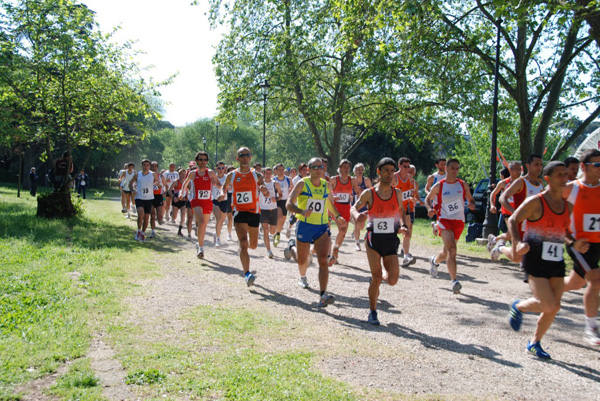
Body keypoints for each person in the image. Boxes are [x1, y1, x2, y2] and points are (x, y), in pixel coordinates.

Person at [507, 161, 588, 359]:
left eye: (565, 174)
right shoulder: (536, 202)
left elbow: (565, 231)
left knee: (555, 306)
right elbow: (512, 220)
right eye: (559, 175)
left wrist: (573, 242)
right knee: (548, 304)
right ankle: (518, 306)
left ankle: (534, 343)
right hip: (535, 259)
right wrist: (517, 243)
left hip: (556, 260)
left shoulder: (567, 206)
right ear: (548, 179)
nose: (564, 178)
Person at [351, 157, 407, 325]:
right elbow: (354, 207)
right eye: (385, 171)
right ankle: (373, 312)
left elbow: (401, 210)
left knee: (392, 280)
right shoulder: (370, 193)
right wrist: (357, 216)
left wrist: (402, 225)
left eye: (391, 171)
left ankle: (376, 278)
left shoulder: (397, 193)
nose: (389, 174)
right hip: (373, 238)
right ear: (378, 172)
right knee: (376, 277)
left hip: (390, 239)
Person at [286, 157, 347, 307]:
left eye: (321, 167)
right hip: (305, 226)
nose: (319, 170)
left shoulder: (326, 185)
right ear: (309, 169)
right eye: (315, 167)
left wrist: (338, 216)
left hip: (321, 227)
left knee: (323, 261)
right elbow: (288, 204)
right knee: (303, 260)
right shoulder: (302, 183)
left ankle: (323, 295)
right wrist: (301, 211)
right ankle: (299, 268)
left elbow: (329, 203)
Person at [562, 149, 600, 345]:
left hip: (597, 243)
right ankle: (592, 328)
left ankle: (549, 293)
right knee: (595, 279)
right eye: (597, 165)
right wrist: (570, 240)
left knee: (576, 283)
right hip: (579, 244)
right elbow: (546, 206)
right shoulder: (571, 189)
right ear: (583, 167)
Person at [218, 147, 271, 286]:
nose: (245, 158)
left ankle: (243, 251)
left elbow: (264, 189)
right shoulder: (232, 175)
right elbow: (224, 187)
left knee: (252, 245)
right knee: (243, 242)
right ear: (238, 158)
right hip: (239, 211)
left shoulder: (257, 175)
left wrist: (265, 191)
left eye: (247, 155)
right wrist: (222, 194)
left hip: (253, 211)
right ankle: (247, 274)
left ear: (250, 157)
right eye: (242, 155)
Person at [425, 158, 476, 294]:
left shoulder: (462, 184)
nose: (455, 171)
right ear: (446, 169)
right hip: (444, 219)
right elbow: (428, 199)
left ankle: (435, 261)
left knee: (446, 252)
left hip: (459, 221)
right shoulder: (439, 186)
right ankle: (454, 281)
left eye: (457, 168)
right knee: (452, 250)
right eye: (452, 168)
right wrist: (429, 208)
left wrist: (471, 204)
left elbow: (471, 200)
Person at [490, 154, 544, 262]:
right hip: (519, 223)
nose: (539, 167)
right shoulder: (521, 182)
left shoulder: (541, 183)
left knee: (532, 255)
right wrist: (514, 213)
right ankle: (499, 248)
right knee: (516, 257)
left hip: (535, 225)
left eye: (541, 165)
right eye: (536, 164)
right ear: (528, 166)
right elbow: (502, 198)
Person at [181, 151, 222, 259]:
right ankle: (201, 248)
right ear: (197, 161)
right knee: (202, 222)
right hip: (196, 201)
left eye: (205, 160)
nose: (203, 162)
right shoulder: (193, 173)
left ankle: (198, 243)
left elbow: (218, 184)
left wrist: (221, 190)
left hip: (207, 202)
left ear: (207, 161)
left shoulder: (211, 173)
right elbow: (185, 183)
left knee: (203, 225)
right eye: (200, 160)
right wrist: (182, 192)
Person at [392, 157, 417, 266]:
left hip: (405, 209)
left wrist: (412, 199)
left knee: (407, 232)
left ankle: (406, 256)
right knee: (392, 233)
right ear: (399, 166)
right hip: (393, 210)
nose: (407, 169)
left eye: (408, 167)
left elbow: (410, 194)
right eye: (404, 167)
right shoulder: (394, 178)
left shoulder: (410, 179)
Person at [329, 159, 353, 265]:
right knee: (342, 230)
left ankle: (334, 252)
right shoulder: (334, 180)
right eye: (344, 167)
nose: (346, 169)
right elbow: (328, 193)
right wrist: (333, 197)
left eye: (348, 167)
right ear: (339, 168)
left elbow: (357, 191)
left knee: (343, 234)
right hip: (336, 208)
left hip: (346, 208)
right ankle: (335, 250)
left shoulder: (352, 180)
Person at [487, 162, 522, 239]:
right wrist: (492, 205)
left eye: (520, 169)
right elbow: (493, 193)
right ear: (510, 170)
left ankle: (494, 239)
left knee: (512, 234)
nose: (519, 172)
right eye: (516, 169)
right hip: (507, 211)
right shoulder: (504, 183)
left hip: (519, 210)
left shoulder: (523, 182)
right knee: (514, 233)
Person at [129, 159, 160, 242]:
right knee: (140, 214)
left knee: (146, 218)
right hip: (139, 197)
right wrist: (132, 190)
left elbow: (158, 183)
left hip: (149, 198)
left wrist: (156, 184)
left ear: (150, 166)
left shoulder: (153, 174)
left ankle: (143, 233)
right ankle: (138, 231)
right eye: (144, 165)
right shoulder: (137, 175)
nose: (146, 167)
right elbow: (130, 183)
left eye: (148, 165)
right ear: (141, 166)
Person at [259, 167, 281, 258]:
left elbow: (281, 195)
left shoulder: (275, 184)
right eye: (266, 173)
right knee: (266, 230)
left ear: (272, 174)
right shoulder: (259, 185)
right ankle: (269, 250)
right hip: (264, 210)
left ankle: (272, 234)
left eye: (269, 173)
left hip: (273, 210)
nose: (268, 175)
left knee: (272, 231)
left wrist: (275, 199)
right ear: (263, 174)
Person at [351, 163, 372, 251]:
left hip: (364, 205)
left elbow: (372, 192)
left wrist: (364, 191)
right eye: (358, 169)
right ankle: (357, 243)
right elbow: (347, 191)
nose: (360, 171)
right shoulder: (351, 180)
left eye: (362, 170)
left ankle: (355, 232)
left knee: (362, 226)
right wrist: (351, 195)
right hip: (354, 206)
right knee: (357, 222)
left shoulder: (366, 181)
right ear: (354, 171)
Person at [211, 161, 231, 247]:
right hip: (215, 200)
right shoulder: (213, 177)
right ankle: (218, 240)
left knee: (221, 220)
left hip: (224, 200)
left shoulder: (227, 178)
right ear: (216, 169)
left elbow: (231, 187)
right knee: (218, 219)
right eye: (219, 168)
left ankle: (216, 233)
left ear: (225, 169)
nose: (221, 170)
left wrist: (226, 188)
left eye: (223, 168)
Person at [425, 158, 447, 235]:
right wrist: (430, 194)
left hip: (448, 202)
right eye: (442, 164)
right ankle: (439, 228)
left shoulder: (449, 176)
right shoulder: (433, 177)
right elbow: (427, 188)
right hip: (437, 202)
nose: (444, 166)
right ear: (437, 165)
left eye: (445, 164)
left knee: (446, 220)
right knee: (442, 218)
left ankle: (435, 226)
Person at [273, 163, 293, 243]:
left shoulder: (288, 179)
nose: (281, 172)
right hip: (277, 201)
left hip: (285, 200)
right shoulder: (273, 180)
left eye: (282, 170)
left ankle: (277, 233)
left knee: (282, 221)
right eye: (279, 170)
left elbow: (292, 188)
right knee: (280, 217)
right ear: (276, 171)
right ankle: (277, 234)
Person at [168, 169, 190, 237]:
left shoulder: (187, 182)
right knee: (174, 217)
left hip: (183, 201)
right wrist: (173, 197)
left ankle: (179, 230)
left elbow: (190, 189)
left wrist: (188, 196)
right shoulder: (176, 182)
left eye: (184, 174)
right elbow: (169, 191)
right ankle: (172, 213)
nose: (183, 175)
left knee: (183, 215)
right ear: (179, 174)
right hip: (176, 200)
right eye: (182, 174)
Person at [148, 161, 167, 238]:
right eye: (152, 166)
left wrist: (164, 192)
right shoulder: (148, 175)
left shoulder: (161, 176)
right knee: (152, 215)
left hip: (158, 196)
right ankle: (152, 231)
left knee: (159, 216)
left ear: (157, 167)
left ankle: (160, 219)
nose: (154, 167)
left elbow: (165, 185)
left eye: (155, 166)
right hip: (150, 196)